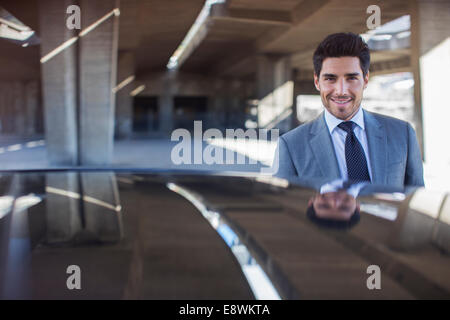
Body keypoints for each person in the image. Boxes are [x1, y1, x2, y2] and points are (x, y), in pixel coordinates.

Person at [275, 33, 424, 188]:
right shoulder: (290, 146)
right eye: (330, 79)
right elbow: (282, 208)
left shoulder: (402, 134)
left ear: (365, 80)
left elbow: (416, 203)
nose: (341, 91)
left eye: (351, 78)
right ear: (317, 82)